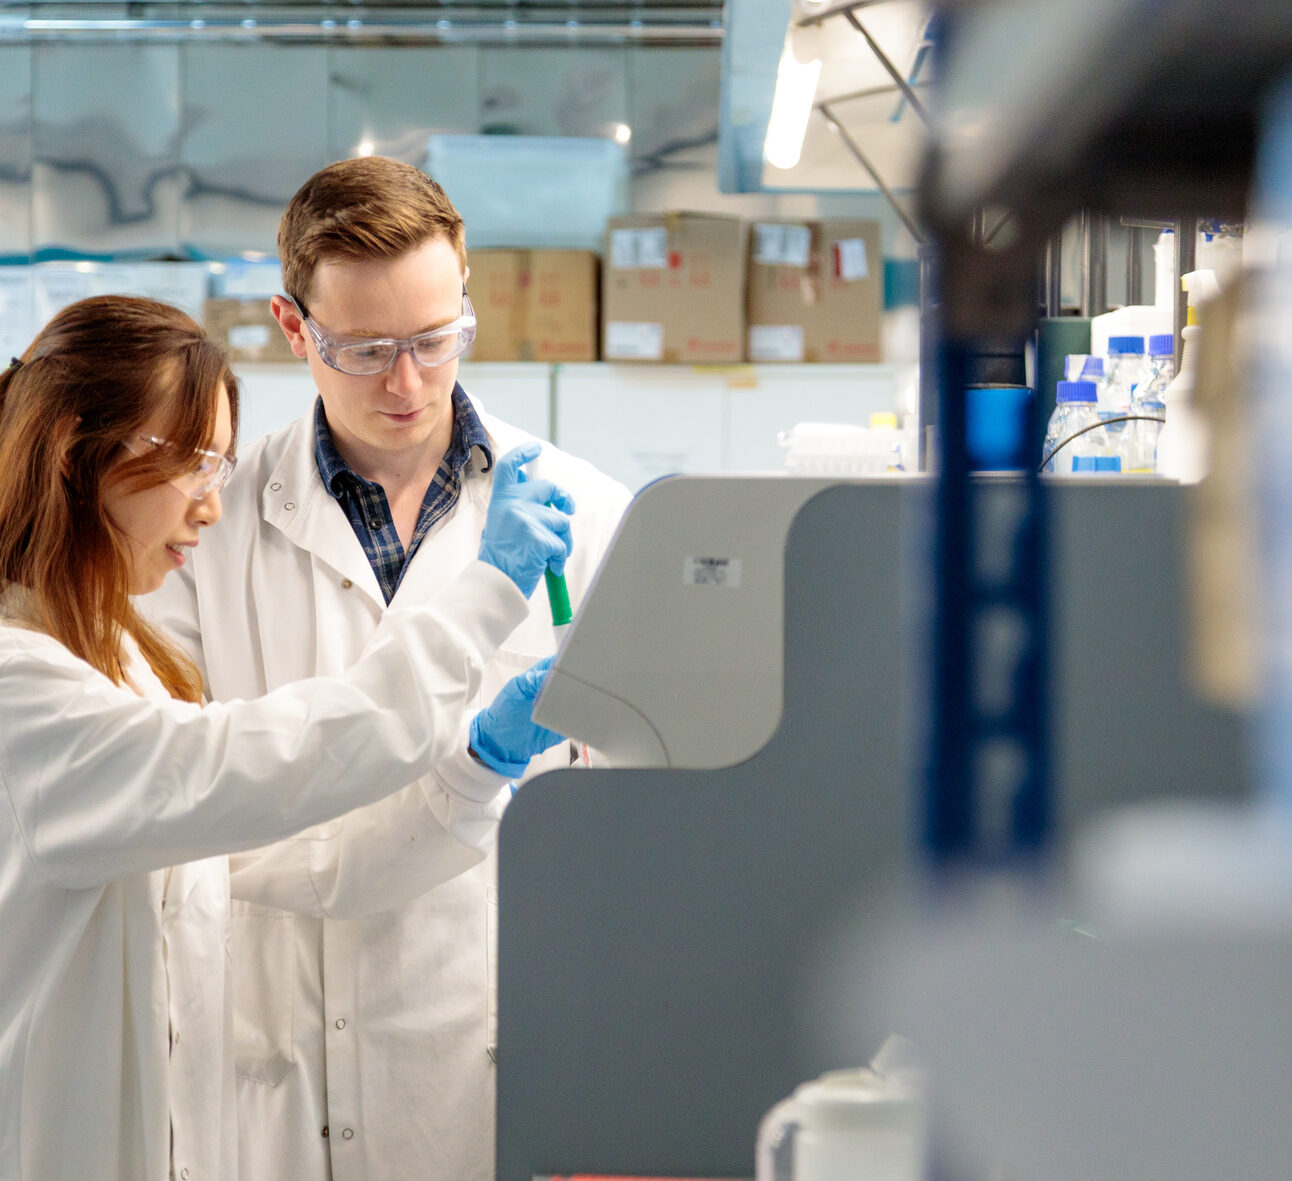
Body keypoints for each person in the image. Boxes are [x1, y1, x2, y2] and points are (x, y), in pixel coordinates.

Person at [0, 295, 577, 1179]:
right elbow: (261, 760)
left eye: (220, 468)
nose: (211, 507)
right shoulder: (21, 692)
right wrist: (486, 597)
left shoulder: (119, 664)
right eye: (192, 464)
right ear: (76, 451)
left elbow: (307, 863)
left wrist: (474, 767)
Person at [143, 156, 633, 1181]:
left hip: (487, 1045)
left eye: (432, 339)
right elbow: (170, 810)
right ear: (293, 329)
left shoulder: (586, 517)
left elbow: (639, 810)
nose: (406, 383)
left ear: (466, 302)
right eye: (365, 350)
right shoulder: (205, 531)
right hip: (277, 1053)